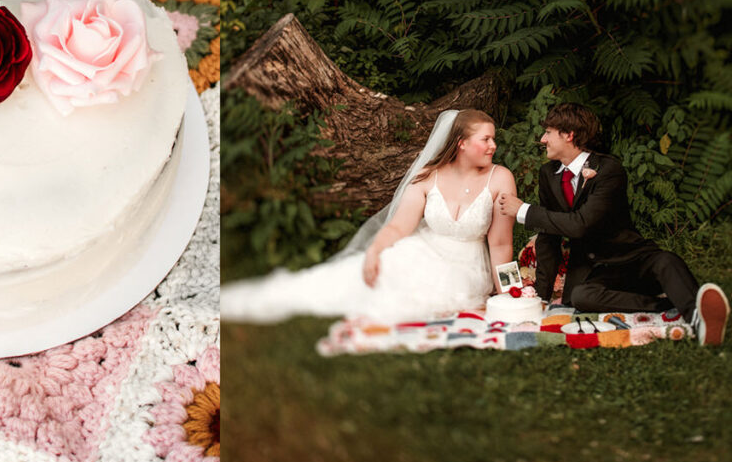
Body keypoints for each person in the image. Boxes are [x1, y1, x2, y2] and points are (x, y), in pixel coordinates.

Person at [221, 109, 518, 323]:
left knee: (412, 300)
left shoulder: (500, 178)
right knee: (355, 279)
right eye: (486, 139)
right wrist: (374, 251)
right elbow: (400, 226)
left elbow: (501, 244)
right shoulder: (429, 178)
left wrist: (511, 291)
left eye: (493, 139)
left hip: (465, 268)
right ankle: (256, 298)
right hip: (422, 249)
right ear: (461, 143)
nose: (493, 146)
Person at [497, 102, 729, 346]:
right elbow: (549, 236)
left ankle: (700, 318)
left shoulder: (609, 169)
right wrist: (541, 296)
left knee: (666, 262)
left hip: (632, 258)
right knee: (580, 296)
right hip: (593, 270)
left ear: (568, 135)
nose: (543, 139)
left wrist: (524, 210)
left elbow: (581, 225)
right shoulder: (548, 174)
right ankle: (666, 305)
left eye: (548, 132)